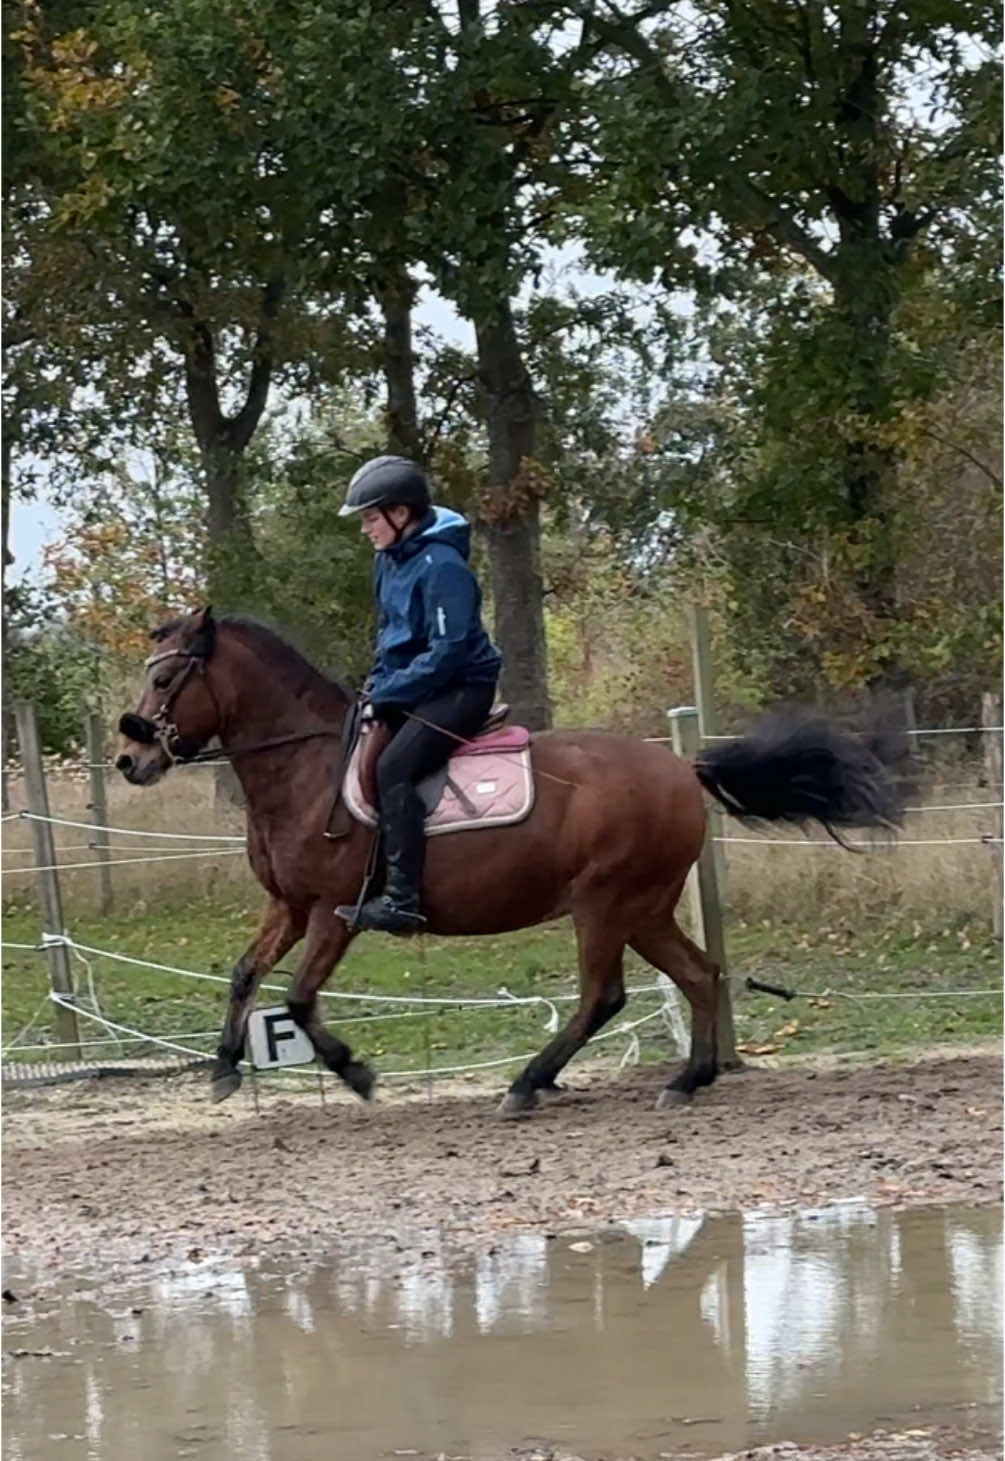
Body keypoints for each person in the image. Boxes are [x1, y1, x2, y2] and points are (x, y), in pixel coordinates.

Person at [334, 455, 502, 933]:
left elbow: (448, 652)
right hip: (416, 686)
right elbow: (392, 635)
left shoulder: (445, 567)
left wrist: (392, 691)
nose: (366, 528)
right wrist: (377, 685)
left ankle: (402, 900)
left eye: (370, 517)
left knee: (393, 767)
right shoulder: (387, 563)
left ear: (400, 514)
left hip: (462, 689)